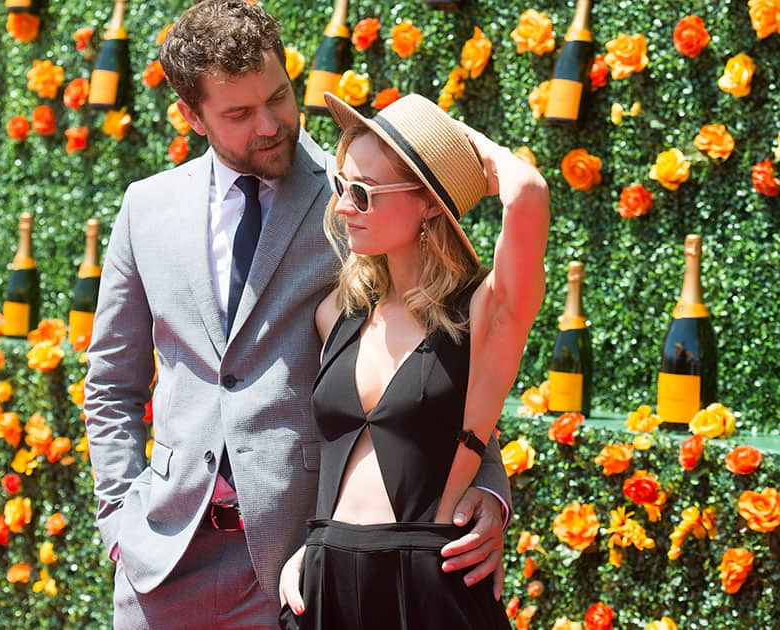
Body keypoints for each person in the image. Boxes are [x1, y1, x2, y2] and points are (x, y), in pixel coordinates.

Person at [84, 2, 513, 628]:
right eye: (239, 113)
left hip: (301, 567)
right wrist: (120, 524)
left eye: (279, 97)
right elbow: (111, 382)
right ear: (190, 115)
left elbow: (443, 344)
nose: (271, 124)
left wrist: (489, 490)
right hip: (162, 562)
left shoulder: (360, 195)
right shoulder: (145, 208)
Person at [276, 92, 549, 629]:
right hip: (322, 583)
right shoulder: (337, 313)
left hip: (431, 581)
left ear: (428, 202)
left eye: (363, 193)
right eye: (340, 185)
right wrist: (312, 546)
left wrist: (468, 155)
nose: (342, 207)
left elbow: (529, 193)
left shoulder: (483, 314)